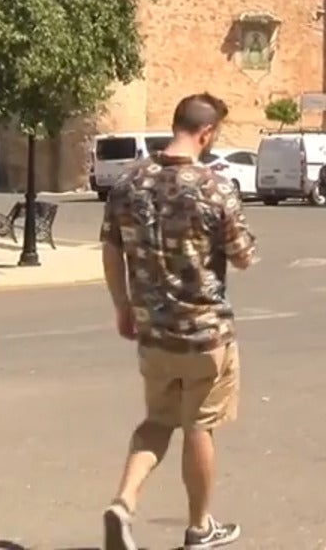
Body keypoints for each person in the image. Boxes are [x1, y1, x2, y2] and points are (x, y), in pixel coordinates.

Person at [100, 93, 257, 550]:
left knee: (156, 421)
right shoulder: (214, 187)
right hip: (205, 334)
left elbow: (111, 248)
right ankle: (199, 526)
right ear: (207, 134)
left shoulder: (128, 183)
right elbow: (244, 256)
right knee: (198, 426)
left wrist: (123, 305)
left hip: (154, 333)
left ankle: (123, 503)